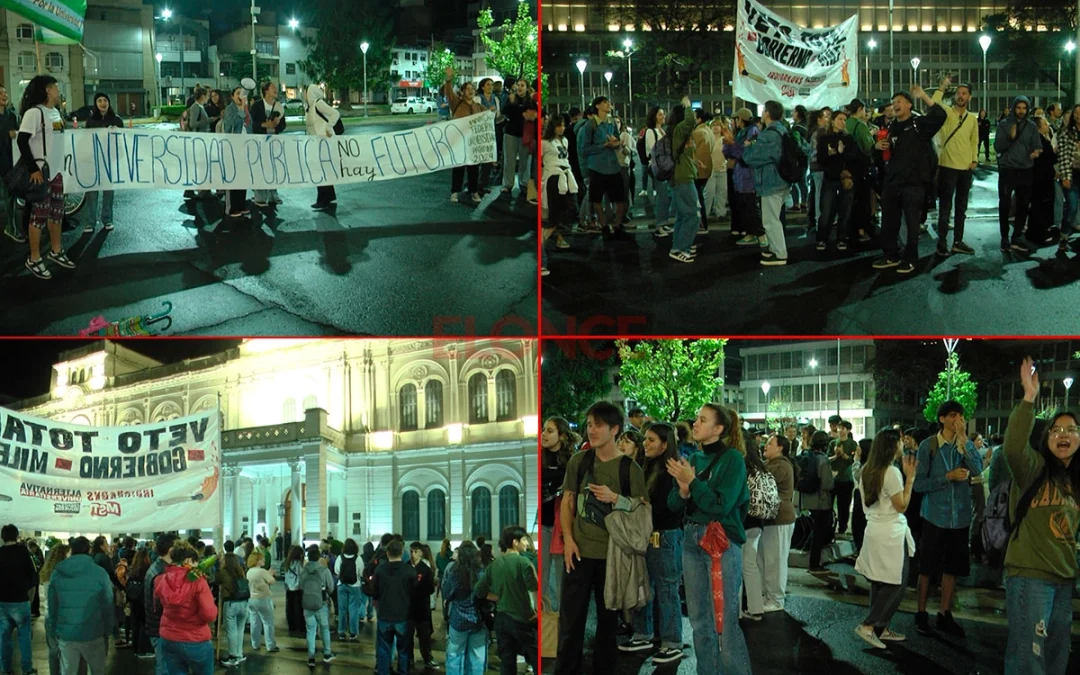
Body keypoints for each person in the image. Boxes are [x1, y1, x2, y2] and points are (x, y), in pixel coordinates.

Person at [556, 402, 647, 675]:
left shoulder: (629, 469)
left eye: (598, 425)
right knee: (570, 623)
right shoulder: (579, 461)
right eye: (589, 425)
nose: (591, 430)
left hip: (613, 556)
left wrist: (616, 499)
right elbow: (567, 502)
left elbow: (642, 511)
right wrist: (569, 540)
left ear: (614, 429)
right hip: (579, 553)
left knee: (608, 626)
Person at [1003, 358, 1080, 675]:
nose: (1064, 434)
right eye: (1056, 430)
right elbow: (1012, 447)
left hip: (1065, 579)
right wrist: (1028, 399)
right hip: (1030, 576)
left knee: (1056, 656)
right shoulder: (1033, 468)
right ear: (1046, 439)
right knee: (1028, 657)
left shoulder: (1076, 482)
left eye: (1072, 429)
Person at [666, 404, 752, 675]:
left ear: (718, 429)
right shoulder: (692, 459)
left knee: (725, 621)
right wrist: (682, 491)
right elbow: (672, 506)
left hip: (721, 542)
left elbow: (720, 506)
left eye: (703, 420)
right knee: (699, 619)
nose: (696, 424)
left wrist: (692, 483)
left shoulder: (733, 460)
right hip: (691, 540)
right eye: (696, 419)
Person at [912, 400, 984, 637]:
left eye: (960, 415)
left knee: (953, 567)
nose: (957, 419)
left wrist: (965, 442)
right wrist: (948, 476)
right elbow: (919, 484)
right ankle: (921, 613)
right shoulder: (928, 446)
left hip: (960, 517)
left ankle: (945, 614)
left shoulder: (963, 445)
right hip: (935, 516)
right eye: (952, 415)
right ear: (942, 419)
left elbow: (978, 469)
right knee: (927, 567)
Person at [618, 422, 684, 664]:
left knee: (667, 590)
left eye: (651, 440)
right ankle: (643, 633)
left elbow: (668, 507)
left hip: (665, 536)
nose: (645, 443)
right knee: (643, 586)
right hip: (645, 535)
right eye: (645, 439)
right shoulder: (645, 467)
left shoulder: (673, 470)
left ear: (665, 444)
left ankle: (672, 641)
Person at [853, 429, 918, 649]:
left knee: (879, 583)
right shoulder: (891, 472)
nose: (902, 445)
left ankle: (881, 627)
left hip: (874, 531)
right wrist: (910, 479)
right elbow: (901, 506)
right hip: (891, 533)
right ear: (892, 446)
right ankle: (869, 625)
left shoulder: (866, 470)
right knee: (896, 583)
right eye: (900, 442)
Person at [872, 86, 946, 274]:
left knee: (912, 224)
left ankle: (910, 258)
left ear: (909, 105)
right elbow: (884, 154)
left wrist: (924, 96)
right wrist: (877, 147)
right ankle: (891, 255)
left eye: (899, 102)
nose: (895, 105)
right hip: (892, 181)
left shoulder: (918, 123)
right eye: (893, 102)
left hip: (914, 183)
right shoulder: (891, 127)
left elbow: (940, 115)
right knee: (889, 221)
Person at [17, 75, 73, 279]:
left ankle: (56, 251)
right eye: (56, 87)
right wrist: (34, 169)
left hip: (57, 172)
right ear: (47, 90)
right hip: (43, 173)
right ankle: (34, 258)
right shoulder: (34, 113)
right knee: (38, 216)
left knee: (57, 213)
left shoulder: (55, 112)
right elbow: (22, 142)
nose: (59, 91)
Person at [476, 526, 538, 675]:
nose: (527, 543)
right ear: (515, 542)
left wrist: (498, 597)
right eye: (523, 540)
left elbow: (479, 591)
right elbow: (534, 589)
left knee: (507, 662)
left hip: (501, 619)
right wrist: (537, 611)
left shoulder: (494, 564)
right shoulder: (524, 563)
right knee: (535, 658)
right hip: (522, 618)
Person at [48, 536, 113, 675]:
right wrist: (108, 630)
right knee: (97, 670)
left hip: (66, 634)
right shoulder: (100, 573)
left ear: (72, 550)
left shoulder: (58, 572)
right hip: (94, 632)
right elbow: (107, 604)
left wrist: (54, 629)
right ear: (89, 550)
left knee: (68, 671)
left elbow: (52, 606)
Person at [155, 546, 217, 675]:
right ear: (188, 561)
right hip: (195, 639)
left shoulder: (163, 579)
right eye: (196, 561)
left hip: (169, 638)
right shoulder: (198, 581)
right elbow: (210, 615)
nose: (197, 565)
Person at [743, 100, 792, 266]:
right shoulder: (782, 130)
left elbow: (751, 157)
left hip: (772, 181)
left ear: (767, 114)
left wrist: (748, 147)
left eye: (764, 111)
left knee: (770, 220)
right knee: (773, 218)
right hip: (781, 179)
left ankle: (779, 254)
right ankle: (774, 249)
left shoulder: (769, 134)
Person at [996, 95, 1043, 253]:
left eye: (1024, 108)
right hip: (1007, 170)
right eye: (1018, 108)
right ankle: (1004, 237)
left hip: (1025, 170)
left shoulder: (1031, 127)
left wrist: (1035, 152)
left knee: (1023, 206)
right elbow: (997, 147)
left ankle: (1016, 237)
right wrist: (1010, 137)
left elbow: (1037, 146)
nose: (1021, 111)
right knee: (1005, 204)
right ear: (1013, 108)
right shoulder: (1003, 124)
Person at [540, 417, 573, 612]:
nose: (544, 434)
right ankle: (543, 615)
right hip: (544, 521)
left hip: (563, 523)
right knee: (542, 572)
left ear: (561, 435)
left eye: (550, 431)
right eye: (544, 430)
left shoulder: (570, 459)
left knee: (563, 572)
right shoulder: (540, 456)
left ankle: (564, 616)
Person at [760, 433, 797, 612]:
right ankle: (767, 596)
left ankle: (776, 599)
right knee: (766, 560)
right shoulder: (770, 464)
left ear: (780, 447)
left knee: (775, 561)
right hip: (770, 520)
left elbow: (759, 481)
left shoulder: (780, 466)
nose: (765, 446)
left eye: (769, 443)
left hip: (779, 519)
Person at [582, 96, 628, 235]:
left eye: (609, 102)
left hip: (613, 166)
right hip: (597, 167)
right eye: (605, 103)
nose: (608, 105)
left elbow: (617, 138)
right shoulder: (591, 125)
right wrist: (604, 146)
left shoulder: (612, 122)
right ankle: (604, 226)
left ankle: (617, 225)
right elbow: (585, 148)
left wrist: (616, 143)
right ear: (597, 106)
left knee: (620, 198)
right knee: (597, 199)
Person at [79, 92, 123, 233]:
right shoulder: (91, 121)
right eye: (99, 101)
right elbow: (86, 139)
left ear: (109, 103)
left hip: (110, 160)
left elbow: (124, 140)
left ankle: (107, 219)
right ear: (96, 104)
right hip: (93, 160)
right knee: (91, 191)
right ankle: (90, 222)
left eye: (105, 100)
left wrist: (117, 132)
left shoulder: (116, 120)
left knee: (108, 191)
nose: (103, 103)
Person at [442, 541, 487, 675]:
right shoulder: (481, 572)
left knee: (455, 656)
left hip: (458, 619)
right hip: (478, 619)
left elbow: (446, 593)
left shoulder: (454, 572)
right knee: (477, 657)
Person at [815, 109, 857, 250]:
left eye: (844, 120)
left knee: (845, 210)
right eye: (840, 119)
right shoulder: (824, 139)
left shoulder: (849, 139)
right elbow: (821, 160)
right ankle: (822, 238)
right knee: (827, 210)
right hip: (830, 178)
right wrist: (831, 154)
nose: (842, 122)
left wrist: (842, 154)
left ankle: (842, 237)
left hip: (845, 178)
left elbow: (854, 158)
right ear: (832, 121)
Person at [373, 539, 416, 675]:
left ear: (387, 553)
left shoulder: (380, 570)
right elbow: (414, 593)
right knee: (403, 650)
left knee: (384, 649)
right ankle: (403, 671)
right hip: (403, 615)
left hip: (384, 614)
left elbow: (375, 592)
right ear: (402, 552)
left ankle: (383, 671)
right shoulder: (409, 571)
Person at [0, 524, 38, 675]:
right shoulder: (23, 552)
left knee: (4, 637)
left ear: (2, 537)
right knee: (24, 637)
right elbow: (33, 577)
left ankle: (5, 667)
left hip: (2, 602)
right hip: (20, 601)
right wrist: (29, 597)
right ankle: (27, 669)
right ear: (16, 536)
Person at [443, 68, 484, 204]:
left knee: (474, 168)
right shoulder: (457, 103)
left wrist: (492, 113)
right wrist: (448, 79)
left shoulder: (478, 106)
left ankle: (474, 191)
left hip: (473, 142)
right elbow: (448, 93)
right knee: (459, 167)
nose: (470, 91)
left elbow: (490, 118)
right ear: (462, 91)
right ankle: (455, 192)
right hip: (460, 141)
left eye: (472, 89)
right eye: (467, 89)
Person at [799, 430, 837, 577]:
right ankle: (814, 564)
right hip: (821, 501)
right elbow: (827, 484)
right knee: (820, 531)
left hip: (808, 499)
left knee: (816, 528)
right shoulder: (823, 459)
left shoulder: (806, 455)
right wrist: (833, 477)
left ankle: (807, 548)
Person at [666, 100, 700, 262]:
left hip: (680, 176)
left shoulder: (676, 132)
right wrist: (687, 105)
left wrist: (693, 162)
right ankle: (681, 248)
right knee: (693, 215)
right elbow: (690, 121)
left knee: (682, 214)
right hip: (683, 178)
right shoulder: (679, 130)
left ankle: (679, 245)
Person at [249, 81, 286, 208]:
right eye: (273, 88)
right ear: (266, 91)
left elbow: (283, 125)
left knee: (273, 167)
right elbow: (250, 124)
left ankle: (273, 195)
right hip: (259, 141)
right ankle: (260, 197)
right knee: (260, 167)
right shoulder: (257, 106)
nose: (276, 89)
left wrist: (277, 124)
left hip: (274, 141)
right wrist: (264, 125)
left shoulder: (279, 106)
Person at [299, 544, 336, 667]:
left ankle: (311, 657)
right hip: (322, 603)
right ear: (319, 557)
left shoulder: (303, 571)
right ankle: (327, 653)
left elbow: (301, 586)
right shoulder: (324, 570)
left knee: (310, 630)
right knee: (324, 628)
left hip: (307, 603)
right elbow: (331, 587)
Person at [216, 542, 249, 667]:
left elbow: (216, 580)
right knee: (240, 629)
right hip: (244, 602)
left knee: (231, 631)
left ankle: (232, 656)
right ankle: (239, 654)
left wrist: (219, 566)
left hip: (230, 603)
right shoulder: (241, 571)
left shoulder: (223, 572)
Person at [501, 79, 533, 195]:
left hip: (525, 134)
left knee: (524, 160)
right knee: (509, 160)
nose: (520, 87)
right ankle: (507, 184)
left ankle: (523, 184)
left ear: (527, 88)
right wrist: (511, 101)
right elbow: (504, 111)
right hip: (511, 133)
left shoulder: (530, 101)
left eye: (522, 85)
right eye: (518, 85)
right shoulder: (511, 98)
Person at [245, 551, 279, 652]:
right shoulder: (262, 571)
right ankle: (270, 645)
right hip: (263, 598)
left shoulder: (249, 571)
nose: (263, 560)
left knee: (255, 622)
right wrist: (271, 574)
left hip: (251, 599)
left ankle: (255, 644)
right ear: (257, 561)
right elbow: (271, 581)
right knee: (268, 622)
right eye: (261, 559)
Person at [333, 539, 362, 641]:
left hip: (342, 585)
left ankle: (341, 632)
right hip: (355, 586)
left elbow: (336, 571)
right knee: (353, 610)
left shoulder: (339, 558)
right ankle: (353, 633)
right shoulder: (358, 559)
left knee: (342, 610)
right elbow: (361, 572)